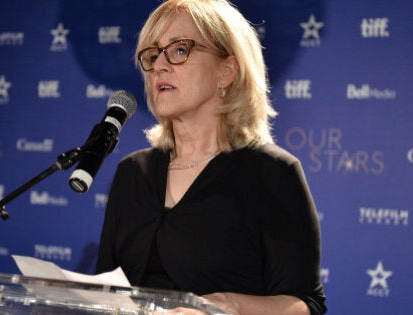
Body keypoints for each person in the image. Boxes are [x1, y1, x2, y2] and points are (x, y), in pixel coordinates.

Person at [96, 0, 327, 314]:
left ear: (227, 71)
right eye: (152, 55)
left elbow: (304, 304)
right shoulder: (133, 172)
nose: (159, 66)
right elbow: (103, 289)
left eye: (179, 50)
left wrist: (226, 306)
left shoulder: (272, 173)